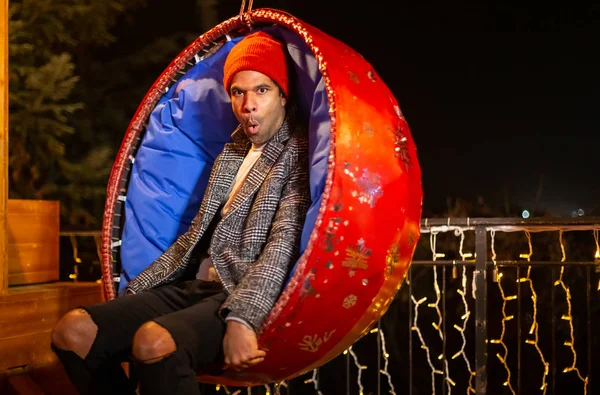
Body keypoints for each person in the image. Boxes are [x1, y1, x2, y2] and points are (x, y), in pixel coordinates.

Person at [50, 31, 311, 395]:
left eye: (262, 90)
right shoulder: (232, 151)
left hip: (238, 292)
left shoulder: (296, 152)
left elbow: (282, 246)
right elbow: (197, 235)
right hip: (194, 285)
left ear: (283, 95)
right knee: (73, 333)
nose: (248, 104)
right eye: (238, 92)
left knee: (154, 343)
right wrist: (136, 290)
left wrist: (242, 318)